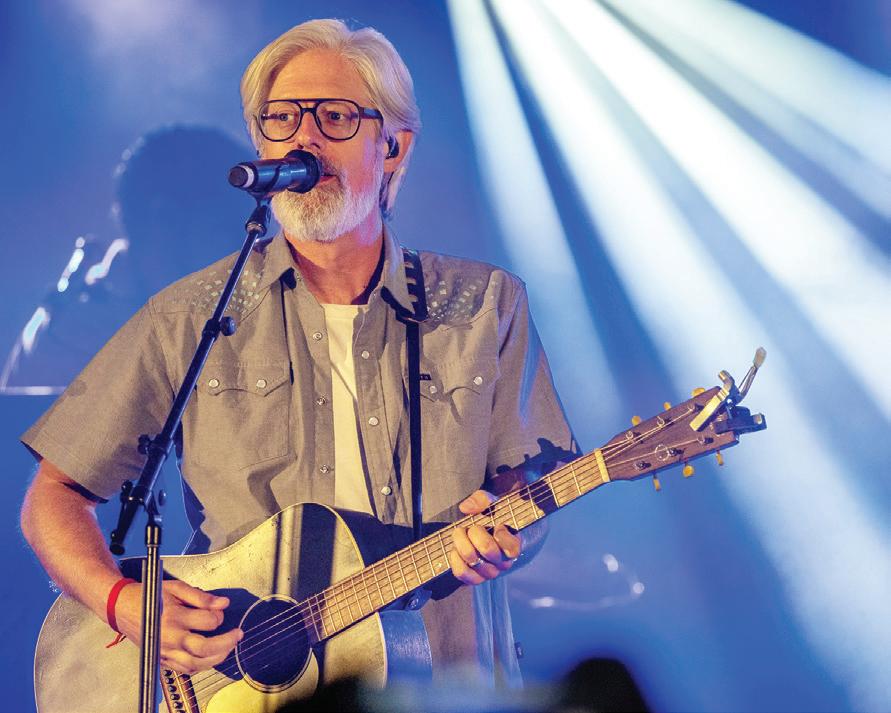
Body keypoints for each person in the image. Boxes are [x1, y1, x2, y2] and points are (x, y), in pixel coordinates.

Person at [20, 19, 575, 688]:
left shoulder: (484, 304)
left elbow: (530, 483)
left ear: (393, 146)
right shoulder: (192, 314)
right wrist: (123, 602)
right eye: (281, 119)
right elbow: (54, 496)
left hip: (442, 680)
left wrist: (503, 532)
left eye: (335, 117)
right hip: (239, 687)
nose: (303, 138)